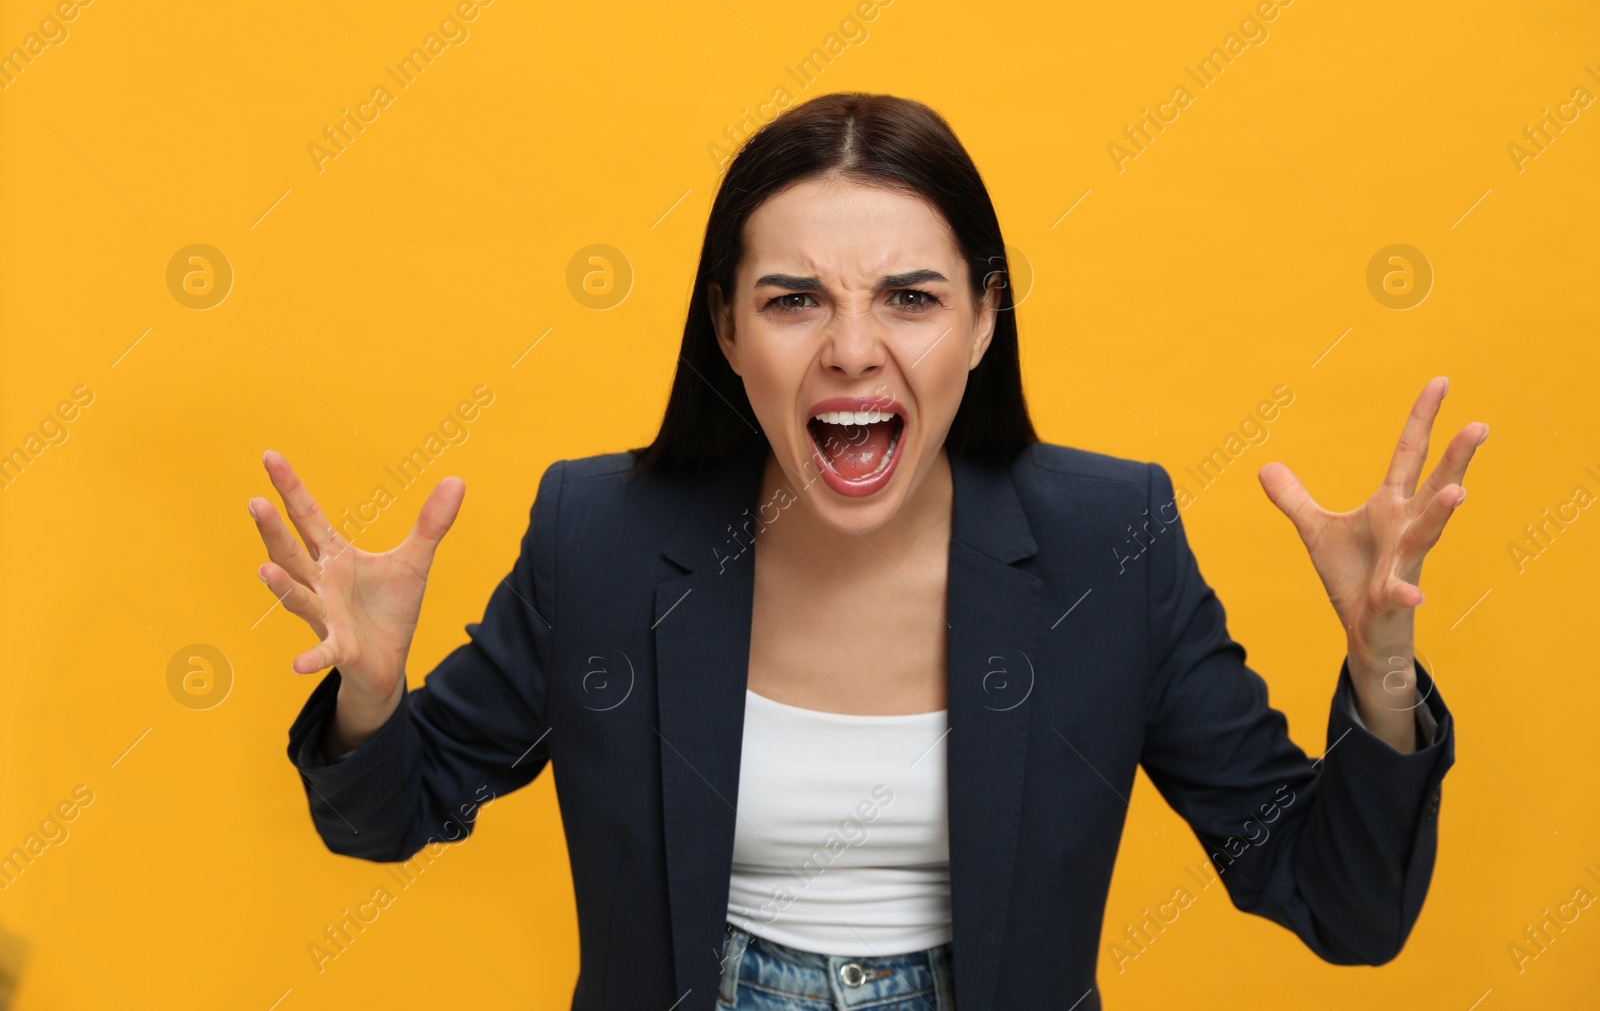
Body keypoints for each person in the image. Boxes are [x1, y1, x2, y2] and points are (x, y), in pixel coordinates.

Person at [253, 93, 1478, 1010]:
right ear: (727, 328)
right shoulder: (603, 537)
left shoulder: (1113, 543)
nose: (849, 349)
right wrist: (370, 701)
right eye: (793, 299)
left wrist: (1380, 674)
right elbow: (391, 815)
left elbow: (1343, 904)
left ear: (985, 319)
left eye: (908, 296)